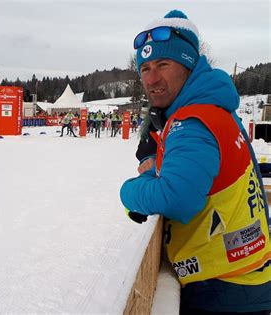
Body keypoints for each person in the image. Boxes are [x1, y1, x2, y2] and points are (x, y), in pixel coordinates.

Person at [120, 10, 271, 314]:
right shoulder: (216, 111)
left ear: (188, 67)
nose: (152, 78)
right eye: (145, 68)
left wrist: (130, 191)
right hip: (246, 274)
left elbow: (177, 198)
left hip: (224, 287)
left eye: (163, 64)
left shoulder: (192, 122)